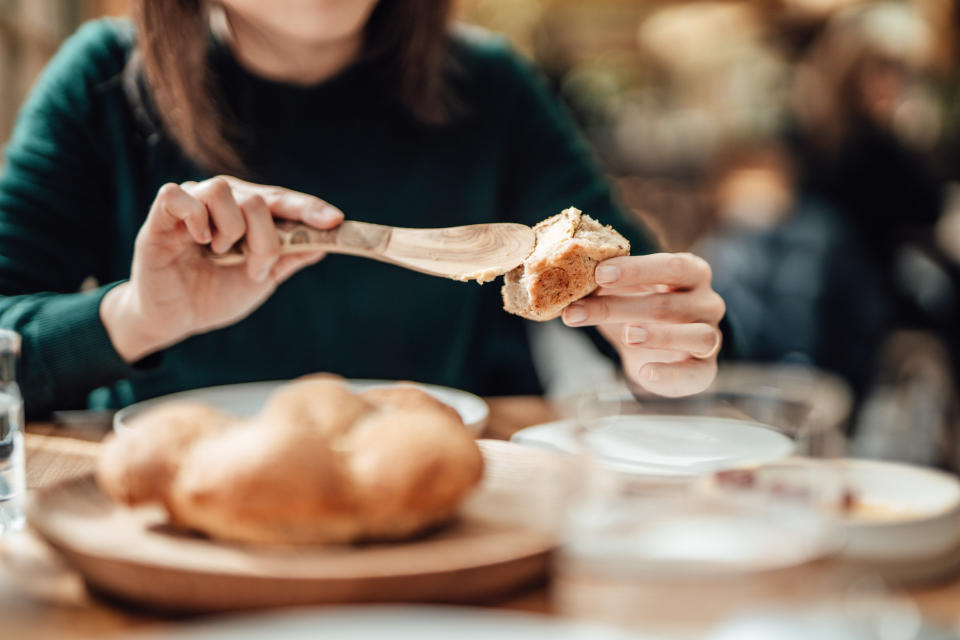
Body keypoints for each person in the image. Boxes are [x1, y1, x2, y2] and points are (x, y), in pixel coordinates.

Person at [0, 0, 724, 417]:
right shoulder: (101, 81)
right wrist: (137, 318)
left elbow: (657, 314)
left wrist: (667, 351)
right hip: (164, 521)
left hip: (437, 523)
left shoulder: (490, 87)